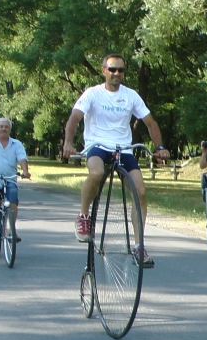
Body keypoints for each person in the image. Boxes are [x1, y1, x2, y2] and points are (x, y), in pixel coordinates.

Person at [61, 53, 169, 267]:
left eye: (120, 70)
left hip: (124, 148)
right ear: (104, 71)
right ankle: (84, 216)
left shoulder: (131, 96)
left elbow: (150, 122)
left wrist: (160, 148)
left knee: (141, 191)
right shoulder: (93, 94)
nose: (116, 74)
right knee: (96, 173)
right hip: (97, 145)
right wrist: (68, 142)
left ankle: (139, 247)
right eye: (112, 69)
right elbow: (74, 117)